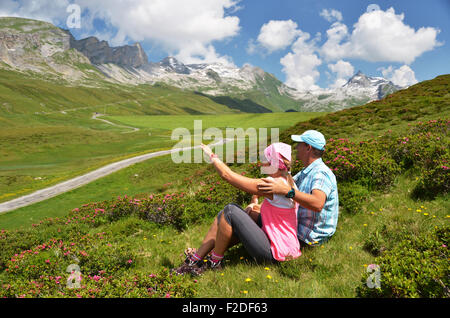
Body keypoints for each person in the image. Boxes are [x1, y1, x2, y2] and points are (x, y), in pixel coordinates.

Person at [173, 142, 301, 276]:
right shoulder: (287, 182)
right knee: (225, 213)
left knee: (230, 210)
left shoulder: (273, 184)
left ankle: (214, 262)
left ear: (273, 163)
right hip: (286, 250)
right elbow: (276, 213)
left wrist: (212, 155)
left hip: (274, 254)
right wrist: (254, 203)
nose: (261, 163)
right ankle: (195, 260)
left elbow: (227, 175)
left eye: (265, 159)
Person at [257, 130, 339, 247]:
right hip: (302, 230)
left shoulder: (321, 173)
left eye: (299, 144)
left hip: (309, 238)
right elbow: (286, 180)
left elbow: (317, 203)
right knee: (255, 214)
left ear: (308, 148)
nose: (296, 147)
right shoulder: (306, 171)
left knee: (245, 217)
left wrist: (288, 192)